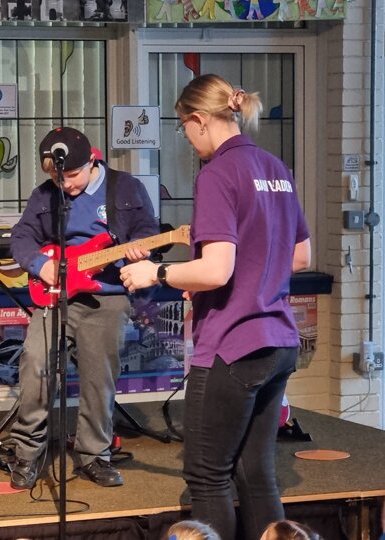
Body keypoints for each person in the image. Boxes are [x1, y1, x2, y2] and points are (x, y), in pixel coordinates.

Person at [121, 74, 311, 539]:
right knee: (256, 473)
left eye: (184, 127)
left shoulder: (218, 174)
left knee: (208, 477)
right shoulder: (275, 167)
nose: (187, 138)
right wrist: (233, 278)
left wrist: (157, 273)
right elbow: (300, 256)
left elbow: (216, 270)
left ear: (199, 119)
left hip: (233, 344)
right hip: (278, 342)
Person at [8, 126, 159, 489]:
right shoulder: (45, 195)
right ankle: (27, 453)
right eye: (58, 178)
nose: (66, 185)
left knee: (97, 378)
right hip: (55, 293)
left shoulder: (126, 188)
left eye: (73, 176)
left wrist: (141, 245)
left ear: (92, 161)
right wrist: (40, 265)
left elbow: (147, 230)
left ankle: (94, 455)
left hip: (105, 295)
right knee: (35, 366)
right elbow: (22, 236)